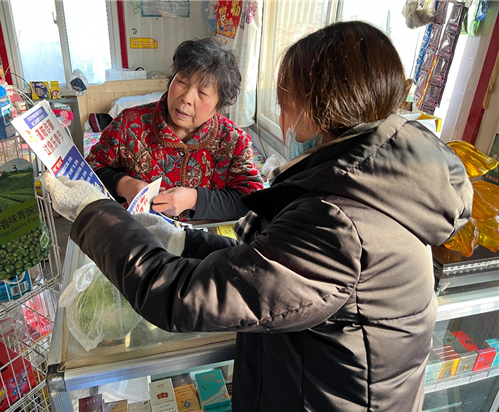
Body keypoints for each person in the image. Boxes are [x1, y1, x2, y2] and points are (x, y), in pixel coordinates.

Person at [44, 21, 473, 411]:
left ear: (320, 106)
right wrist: (181, 240)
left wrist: (91, 212)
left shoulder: (340, 219)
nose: (281, 110)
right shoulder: (372, 182)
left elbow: (182, 295)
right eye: (181, 83)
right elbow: (269, 262)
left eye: (285, 94)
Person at [86, 37, 263, 221]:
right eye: (182, 82)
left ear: (220, 104)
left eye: (202, 93)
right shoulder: (129, 124)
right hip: (139, 239)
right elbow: (90, 168)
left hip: (209, 245)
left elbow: (251, 200)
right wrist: (125, 185)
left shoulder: (234, 141)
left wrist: (194, 199)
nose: (186, 97)